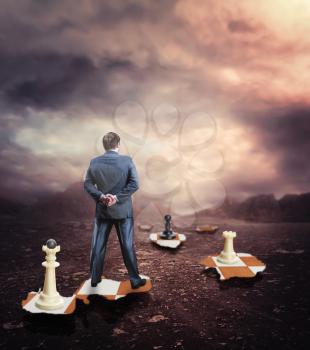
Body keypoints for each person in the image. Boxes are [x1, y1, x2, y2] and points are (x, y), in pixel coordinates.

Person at [84, 131, 146, 289]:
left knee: (98, 245)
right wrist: (117, 198)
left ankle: (95, 279)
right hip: (123, 211)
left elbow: (88, 184)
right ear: (118, 144)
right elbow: (134, 184)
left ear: (104, 146)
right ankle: (135, 280)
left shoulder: (94, 162)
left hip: (103, 210)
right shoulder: (127, 161)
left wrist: (102, 196)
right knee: (126, 245)